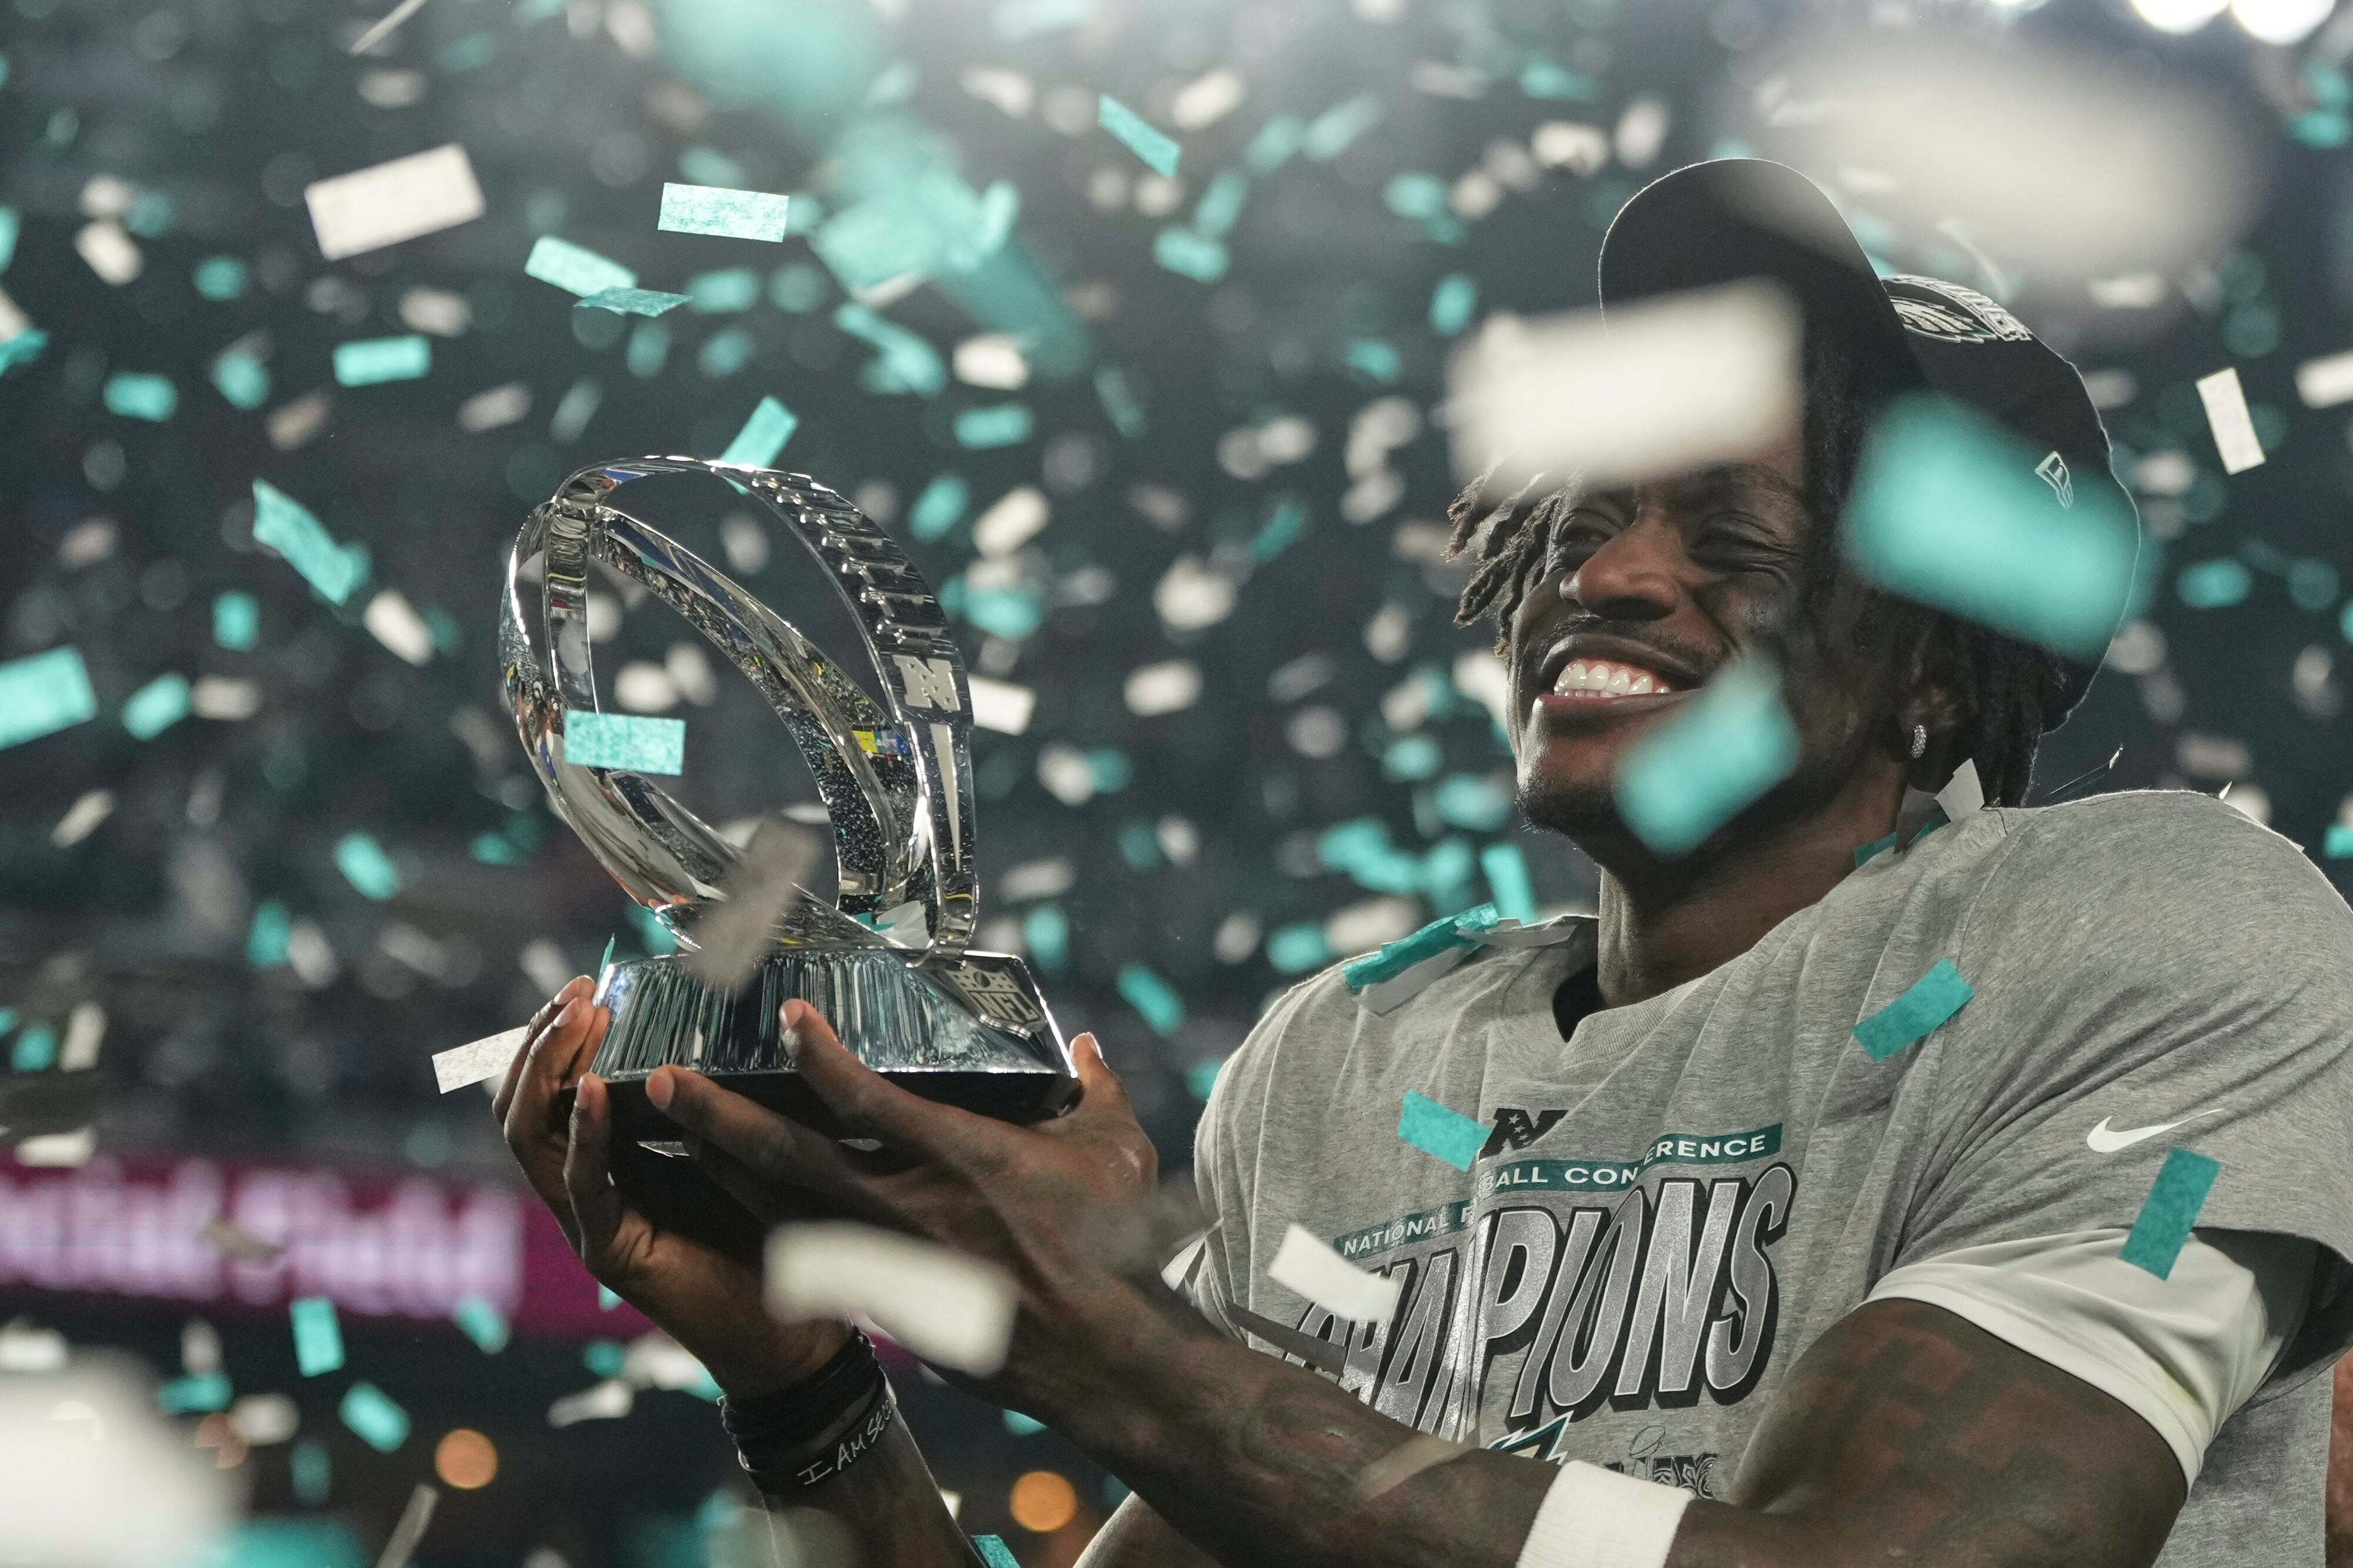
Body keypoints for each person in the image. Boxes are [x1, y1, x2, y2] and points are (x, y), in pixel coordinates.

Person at [497, 160, 2353, 1568]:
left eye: (1731, 537)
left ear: (1941, 650)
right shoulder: (1355, 1055)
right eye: (1582, 515)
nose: (1603, 578)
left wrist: (1101, 1335)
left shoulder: (2155, 924)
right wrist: (807, 1392)